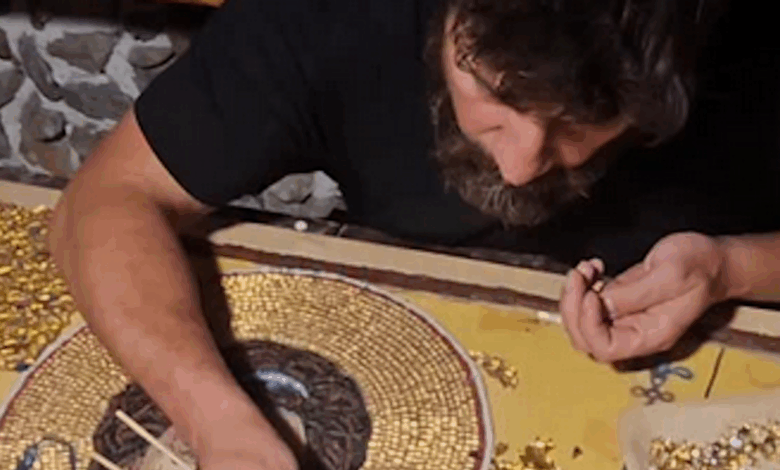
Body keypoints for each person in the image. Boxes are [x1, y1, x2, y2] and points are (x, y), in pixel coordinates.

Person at [46, 0, 780, 468]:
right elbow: (107, 200)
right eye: (495, 93)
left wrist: (732, 267)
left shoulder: (743, 41)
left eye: (581, 125)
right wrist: (218, 424)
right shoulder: (333, 17)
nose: (521, 166)